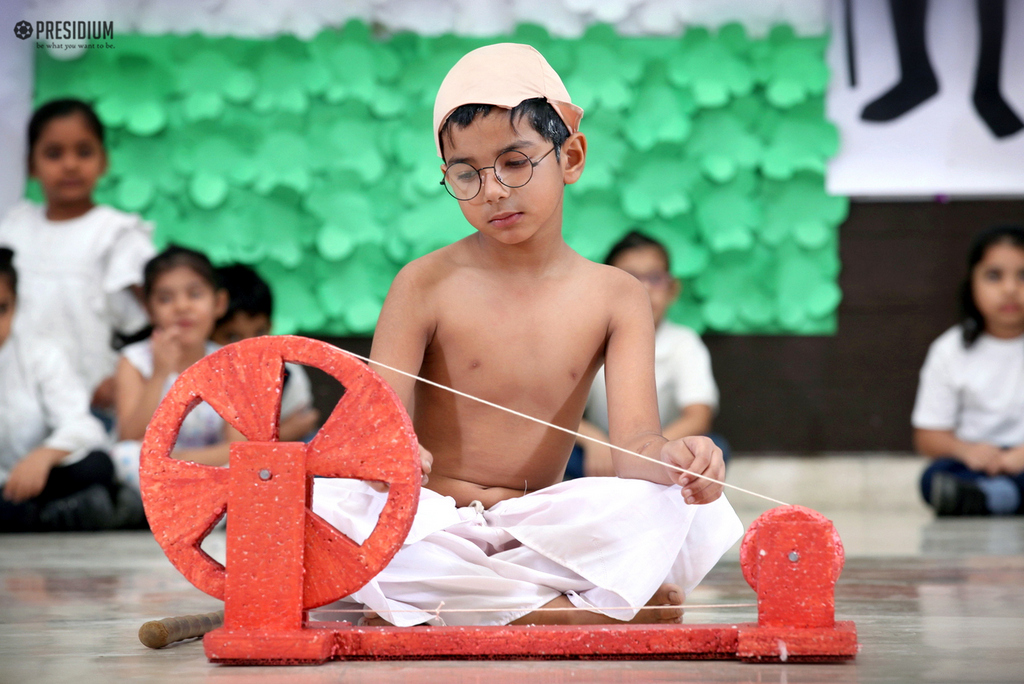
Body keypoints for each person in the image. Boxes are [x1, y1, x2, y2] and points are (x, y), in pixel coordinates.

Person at [312, 43, 742, 628]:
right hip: (430, 524)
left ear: (570, 157)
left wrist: (675, 460)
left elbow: (635, 449)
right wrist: (390, 454)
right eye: (466, 174)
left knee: (675, 507)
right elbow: (375, 427)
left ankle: (478, 605)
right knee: (330, 504)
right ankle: (573, 611)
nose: (493, 190)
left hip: (539, 526)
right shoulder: (422, 284)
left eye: (515, 162)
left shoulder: (617, 295)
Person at [0, 99, 154, 419]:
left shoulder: (117, 234)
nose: (70, 165)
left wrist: (124, 379)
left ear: (104, 160)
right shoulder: (13, 230)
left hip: (93, 400)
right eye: (54, 153)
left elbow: (160, 317)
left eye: (84, 152)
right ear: (31, 164)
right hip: (16, 399)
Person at [0, 248, 135, 532]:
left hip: (38, 480)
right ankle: (55, 516)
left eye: (1, 309)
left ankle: (36, 515)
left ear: (15, 306)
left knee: (98, 466)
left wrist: (44, 456)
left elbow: (83, 426)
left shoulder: (40, 353)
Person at [570, 231, 723, 479]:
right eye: (630, 278)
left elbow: (698, 416)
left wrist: (652, 452)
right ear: (605, 289)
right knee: (556, 454)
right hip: (601, 457)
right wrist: (596, 442)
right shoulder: (586, 339)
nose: (644, 289)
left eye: (655, 278)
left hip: (663, 456)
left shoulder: (683, 343)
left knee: (713, 451)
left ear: (672, 289)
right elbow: (555, 412)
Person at [111, 247, 243, 491]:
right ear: (148, 311)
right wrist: (160, 374)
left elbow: (237, 448)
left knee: (246, 468)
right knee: (123, 456)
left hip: (206, 472)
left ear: (219, 303)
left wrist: (175, 462)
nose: (182, 306)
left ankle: (193, 510)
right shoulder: (134, 361)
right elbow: (130, 436)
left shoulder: (230, 364)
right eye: (165, 299)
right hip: (150, 473)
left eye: (194, 294)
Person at [914, 225, 1024, 516]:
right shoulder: (949, 349)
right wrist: (967, 451)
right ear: (972, 283)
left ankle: (990, 498)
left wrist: (1020, 456)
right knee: (933, 477)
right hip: (975, 462)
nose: (1010, 289)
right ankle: (997, 496)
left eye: (1022, 276)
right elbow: (928, 435)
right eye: (994, 276)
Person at [212, 263, 319, 441]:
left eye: (259, 333)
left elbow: (304, 422)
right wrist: (283, 433)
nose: (247, 347)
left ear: (270, 326)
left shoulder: (287, 372)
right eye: (232, 337)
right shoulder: (202, 376)